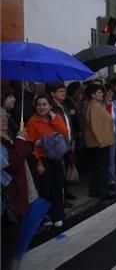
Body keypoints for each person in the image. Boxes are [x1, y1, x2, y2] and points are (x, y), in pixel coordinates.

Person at [1, 108, 36, 270]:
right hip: (8, 194)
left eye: (5, 116)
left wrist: (23, 141)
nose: (4, 119)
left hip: (13, 191)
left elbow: (20, 154)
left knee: (12, 236)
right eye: (0, 117)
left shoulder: (5, 136)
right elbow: (12, 161)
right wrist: (20, 140)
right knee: (8, 238)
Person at [26, 95, 68, 227]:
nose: (41, 107)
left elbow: (64, 133)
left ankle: (58, 215)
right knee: (45, 189)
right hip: (42, 160)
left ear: (50, 106)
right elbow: (31, 145)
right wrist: (38, 163)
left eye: (45, 104)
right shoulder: (32, 122)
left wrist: (55, 120)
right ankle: (46, 216)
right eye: (39, 105)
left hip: (57, 157)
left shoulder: (56, 118)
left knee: (57, 187)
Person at [46, 82, 77, 208]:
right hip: (58, 144)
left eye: (64, 91)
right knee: (60, 173)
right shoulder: (51, 108)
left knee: (66, 169)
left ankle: (66, 191)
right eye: (60, 91)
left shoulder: (64, 105)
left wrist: (72, 140)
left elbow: (68, 124)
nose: (63, 93)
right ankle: (61, 198)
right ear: (53, 94)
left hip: (68, 142)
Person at [84, 84, 115, 200]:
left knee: (97, 168)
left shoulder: (96, 105)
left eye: (101, 92)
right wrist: (101, 142)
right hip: (100, 143)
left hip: (98, 142)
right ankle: (104, 191)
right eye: (99, 92)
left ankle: (95, 190)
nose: (102, 94)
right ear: (92, 95)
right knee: (102, 168)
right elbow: (96, 127)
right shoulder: (94, 107)